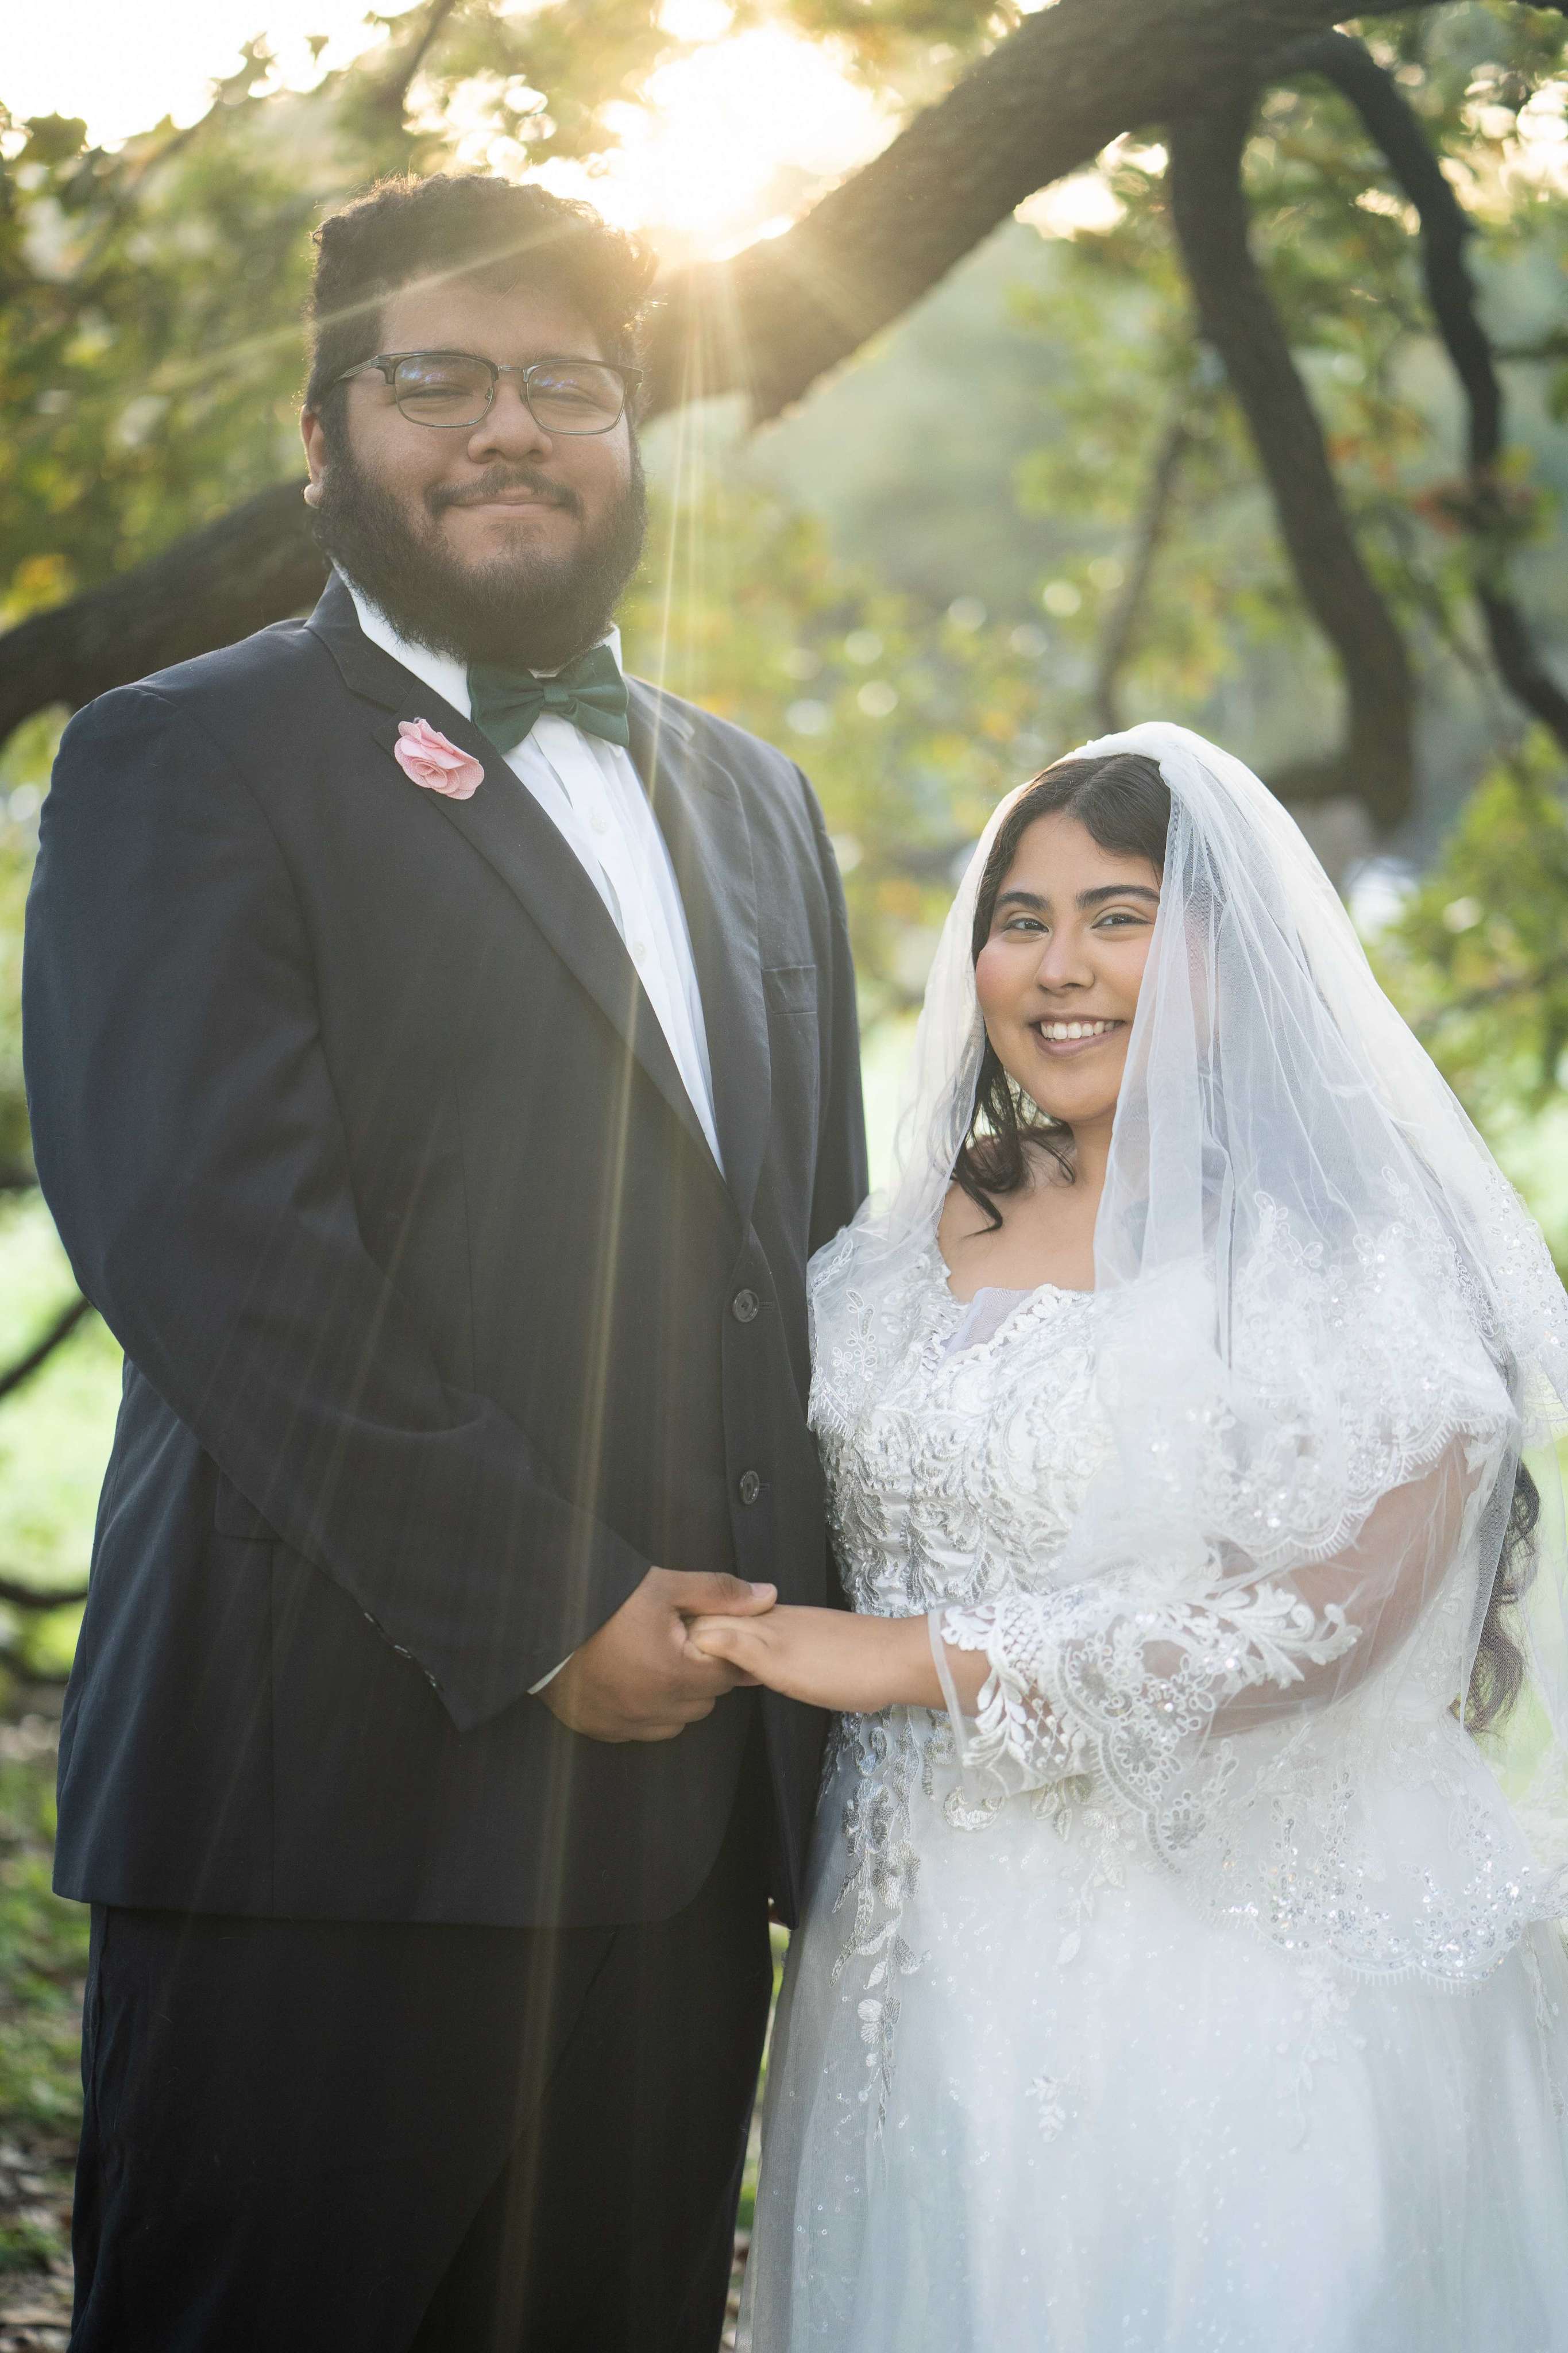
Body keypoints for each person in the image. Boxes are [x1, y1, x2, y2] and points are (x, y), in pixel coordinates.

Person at [22, 172, 865, 2353]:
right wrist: (542, 1610)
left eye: (567, 381)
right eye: (438, 379)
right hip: (320, 1821)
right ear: (321, 438)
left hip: (694, 1833)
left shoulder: (755, 799)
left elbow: (819, 1270)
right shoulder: (177, 758)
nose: (510, 427)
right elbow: (211, 1247)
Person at [693, 724, 1568, 2351]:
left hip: (1223, 1976)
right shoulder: (915, 1227)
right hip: (914, 1962)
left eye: (1121, 914)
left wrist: (907, 1661)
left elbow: (1325, 1626)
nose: (1058, 965)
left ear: (1232, 961)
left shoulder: (1353, 1254)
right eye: (1018, 920)